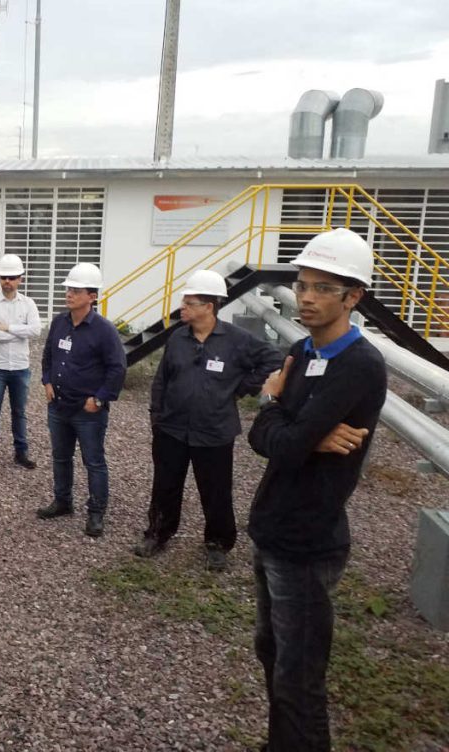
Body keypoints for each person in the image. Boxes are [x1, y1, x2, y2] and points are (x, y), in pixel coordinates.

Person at [247, 228, 386, 752]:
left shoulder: (359, 365)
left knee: (299, 676)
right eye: (303, 285)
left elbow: (279, 442)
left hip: (307, 543)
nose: (305, 297)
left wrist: (278, 414)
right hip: (272, 529)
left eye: (323, 288)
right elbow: (270, 439)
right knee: (271, 654)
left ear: (353, 297)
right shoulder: (304, 350)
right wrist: (291, 424)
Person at [135, 269, 283, 571]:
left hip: (214, 430)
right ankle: (158, 533)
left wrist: (241, 388)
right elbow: (162, 380)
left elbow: (274, 359)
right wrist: (156, 416)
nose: (183, 307)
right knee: (165, 486)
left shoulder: (236, 340)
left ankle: (218, 543)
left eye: (189, 302)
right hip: (171, 429)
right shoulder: (177, 338)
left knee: (215, 490)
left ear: (209, 306)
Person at [37, 263, 126, 538]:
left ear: (92, 296)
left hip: (87, 411)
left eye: (76, 290)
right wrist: (47, 381)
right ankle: (63, 502)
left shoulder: (104, 330)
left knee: (94, 461)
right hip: (59, 405)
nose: (69, 294)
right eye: (68, 289)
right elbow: (48, 355)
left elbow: (118, 368)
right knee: (61, 457)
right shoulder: (60, 322)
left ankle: (96, 512)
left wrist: (99, 399)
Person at [0, 253, 42, 470]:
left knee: (20, 412)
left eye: (12, 277)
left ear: (20, 279)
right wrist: (19, 333)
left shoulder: (28, 304)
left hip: (20, 367)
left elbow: (36, 330)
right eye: (4, 277)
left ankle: (21, 452)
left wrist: (8, 328)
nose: (7, 281)